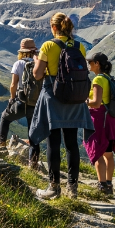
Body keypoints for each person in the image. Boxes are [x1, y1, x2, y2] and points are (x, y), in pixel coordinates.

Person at [29, 12, 94, 200]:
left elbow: (38, 75)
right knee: (72, 144)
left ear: (54, 27)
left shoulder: (48, 46)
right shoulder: (79, 47)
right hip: (74, 98)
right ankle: (72, 189)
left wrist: (36, 61)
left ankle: (54, 187)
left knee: (54, 142)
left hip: (54, 98)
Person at [0, 38, 41, 167]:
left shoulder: (18, 63)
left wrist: (12, 98)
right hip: (36, 103)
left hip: (21, 101)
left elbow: (13, 84)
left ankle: (1, 145)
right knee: (33, 134)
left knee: (5, 118)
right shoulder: (40, 63)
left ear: (22, 51)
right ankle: (33, 163)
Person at [84, 52, 115, 195]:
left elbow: (96, 102)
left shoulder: (98, 79)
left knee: (98, 152)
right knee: (108, 153)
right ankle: (109, 184)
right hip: (110, 118)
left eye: (90, 62)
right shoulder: (108, 77)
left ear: (97, 64)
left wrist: (84, 101)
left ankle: (102, 185)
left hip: (99, 119)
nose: (89, 65)